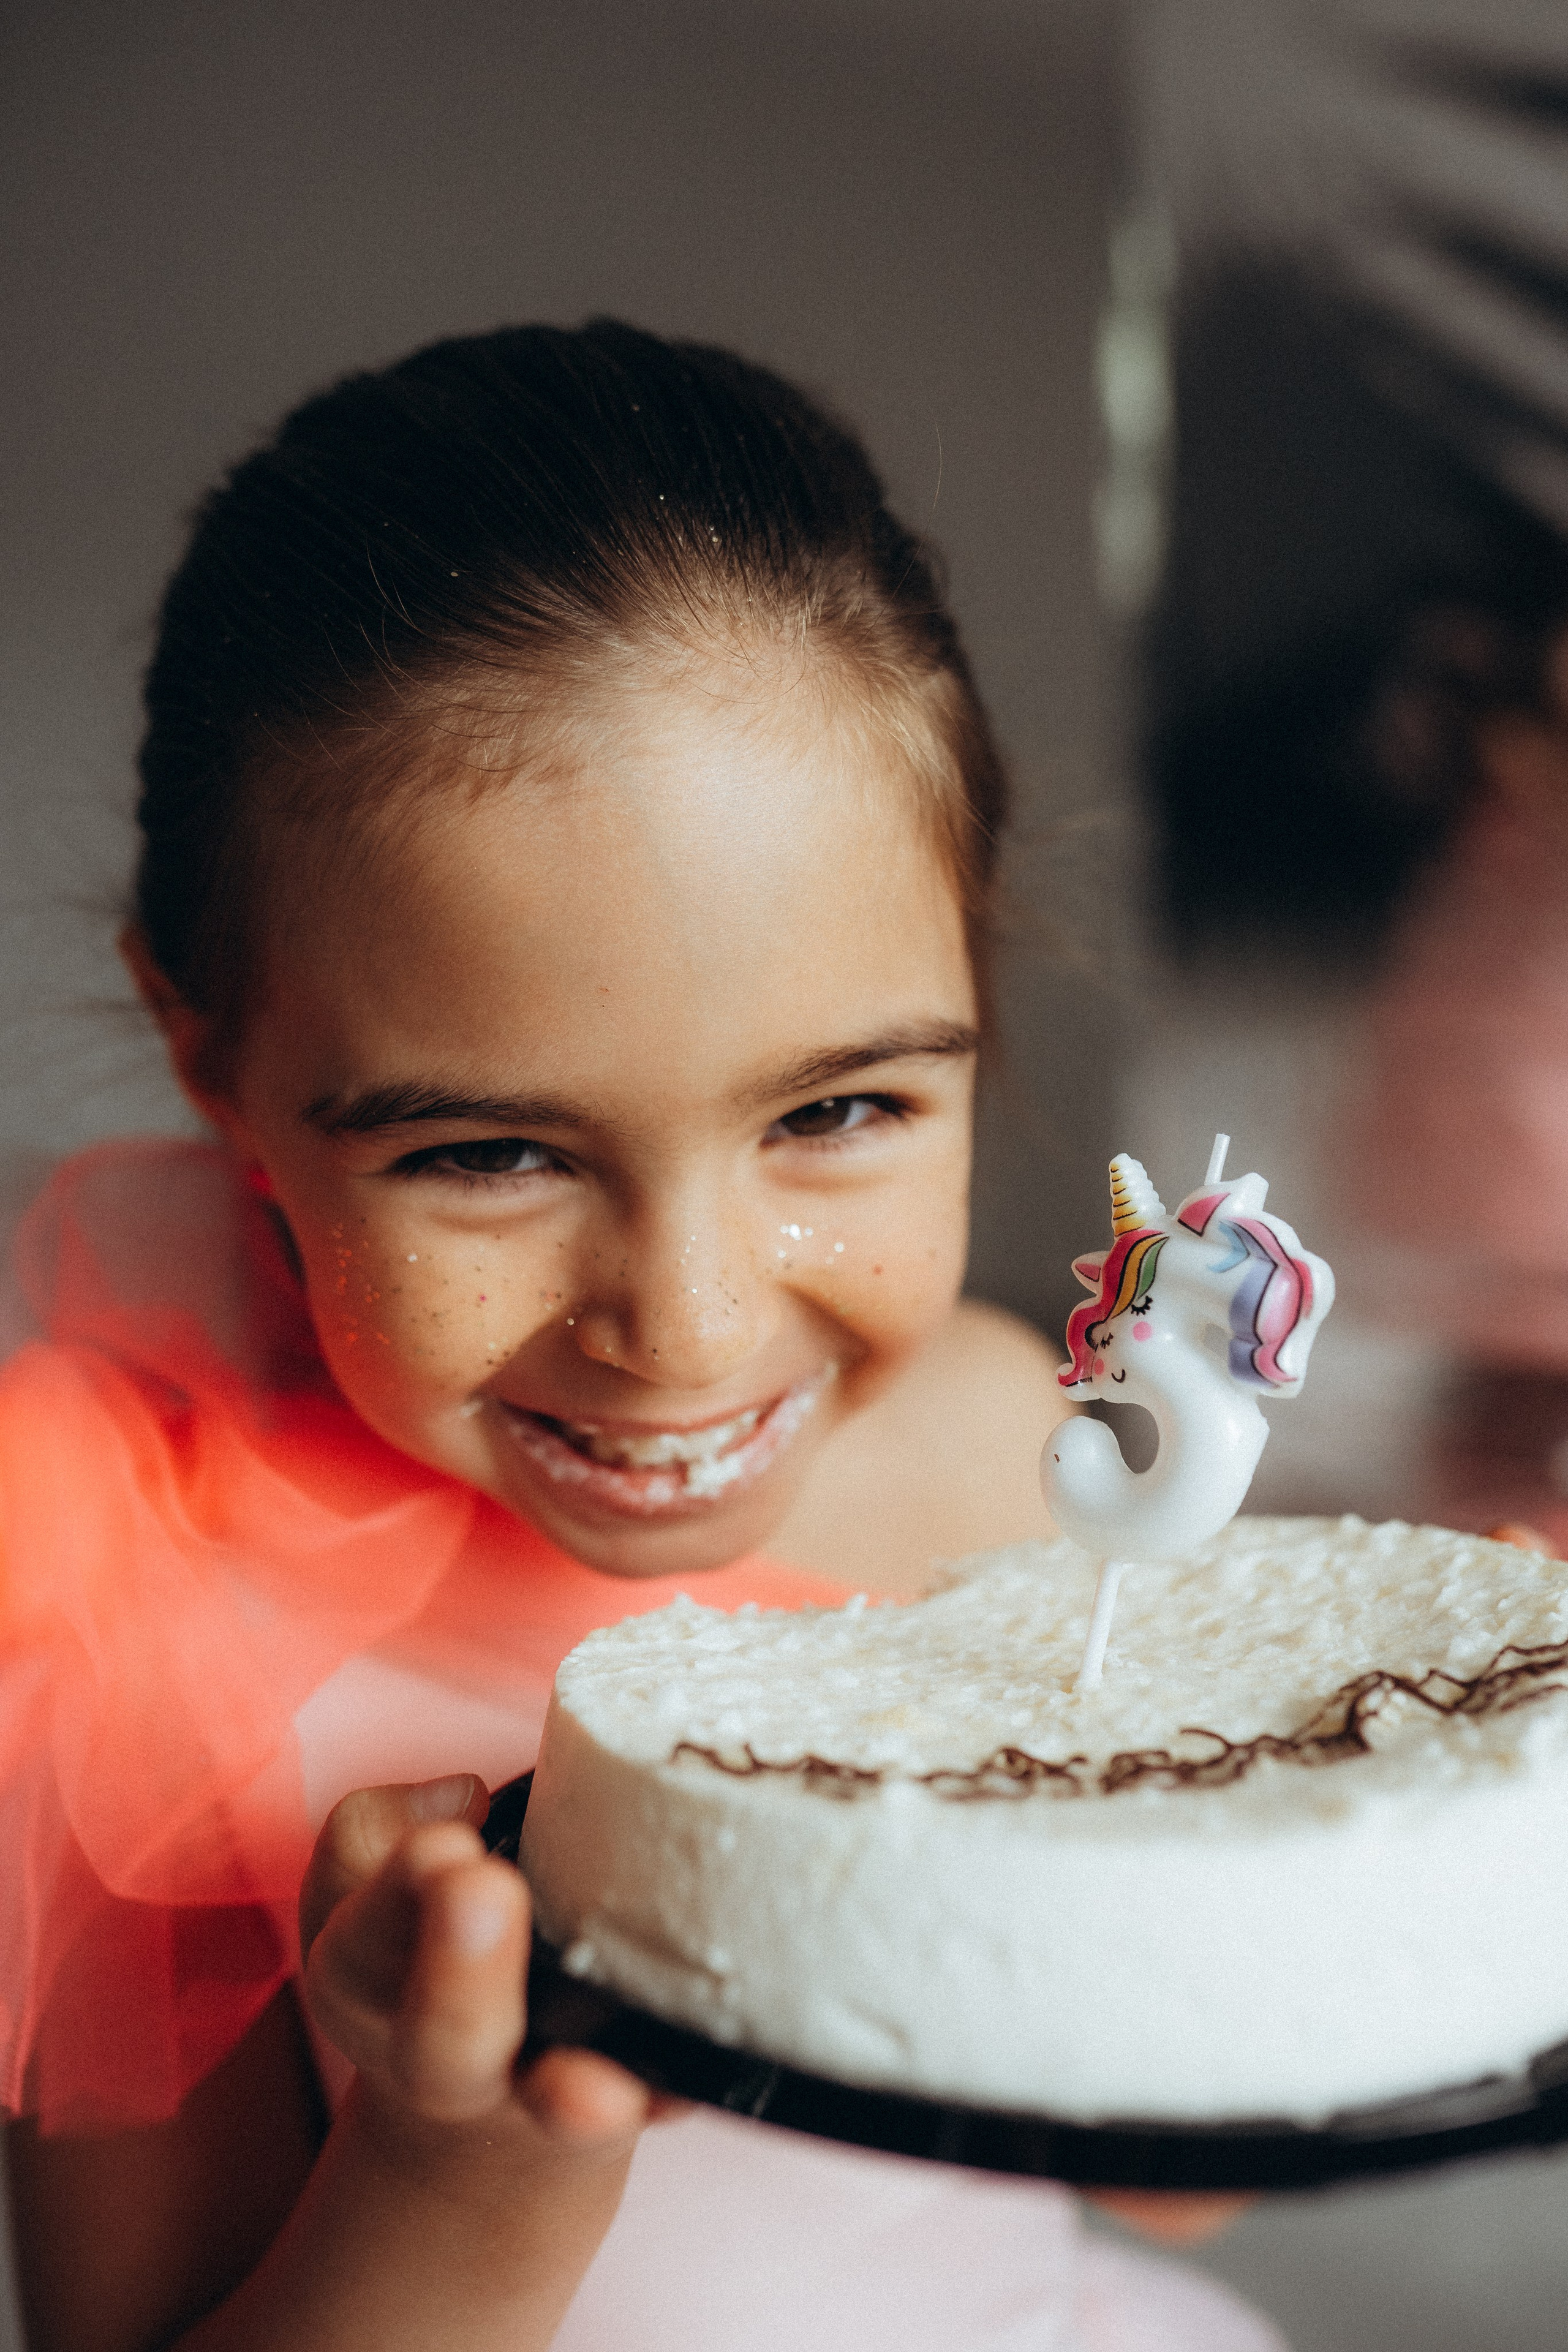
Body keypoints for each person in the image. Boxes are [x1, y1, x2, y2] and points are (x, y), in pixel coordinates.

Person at [0, 322, 1280, 2352]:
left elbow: (1175, 2180)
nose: (685, 1333)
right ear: (206, 1039)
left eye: (838, 1112)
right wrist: (456, 2173)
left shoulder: (1008, 1466)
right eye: (492, 1154)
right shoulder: (105, 1608)